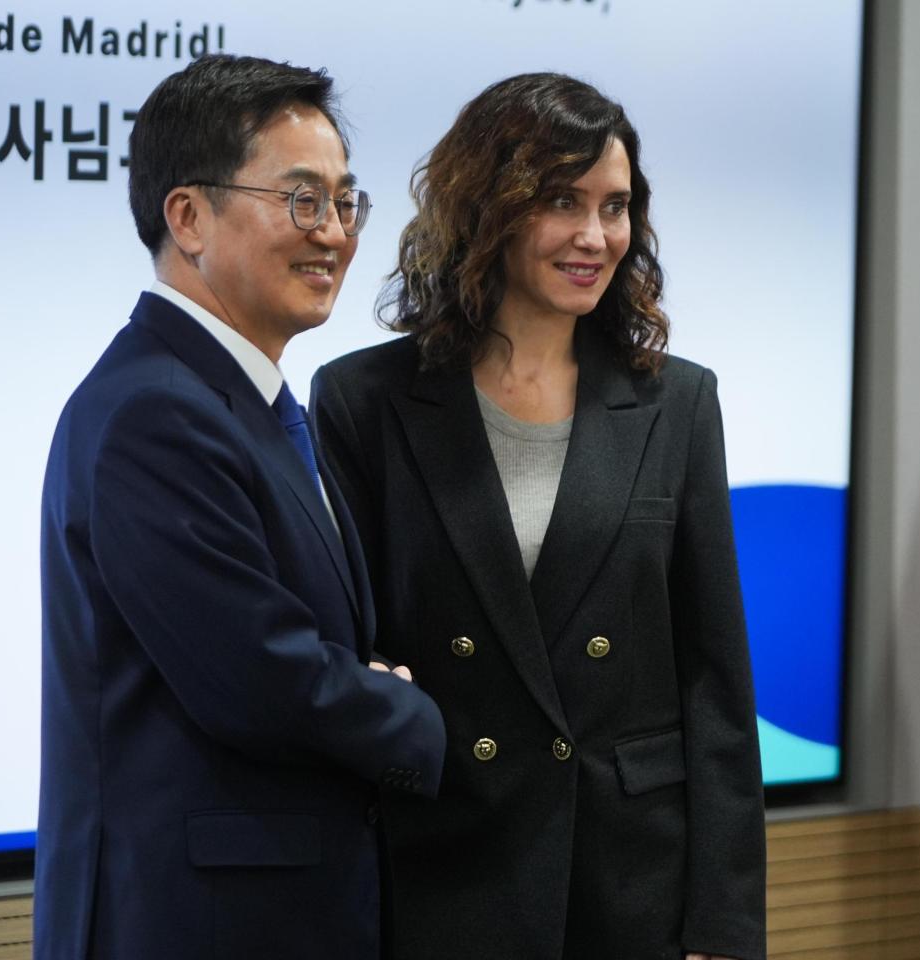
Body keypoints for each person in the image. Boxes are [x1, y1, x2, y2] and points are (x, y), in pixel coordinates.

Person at [311, 73, 765, 960]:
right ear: (491, 206)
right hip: (444, 865)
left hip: (633, 882)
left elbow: (716, 683)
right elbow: (348, 652)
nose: (595, 236)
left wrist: (725, 924)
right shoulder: (363, 400)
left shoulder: (677, 403)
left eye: (616, 206)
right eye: (564, 200)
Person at [35, 54, 445, 960]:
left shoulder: (244, 400)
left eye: (346, 202)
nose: (334, 232)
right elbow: (259, 679)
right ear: (188, 217)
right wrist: (412, 715)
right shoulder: (156, 410)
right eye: (302, 199)